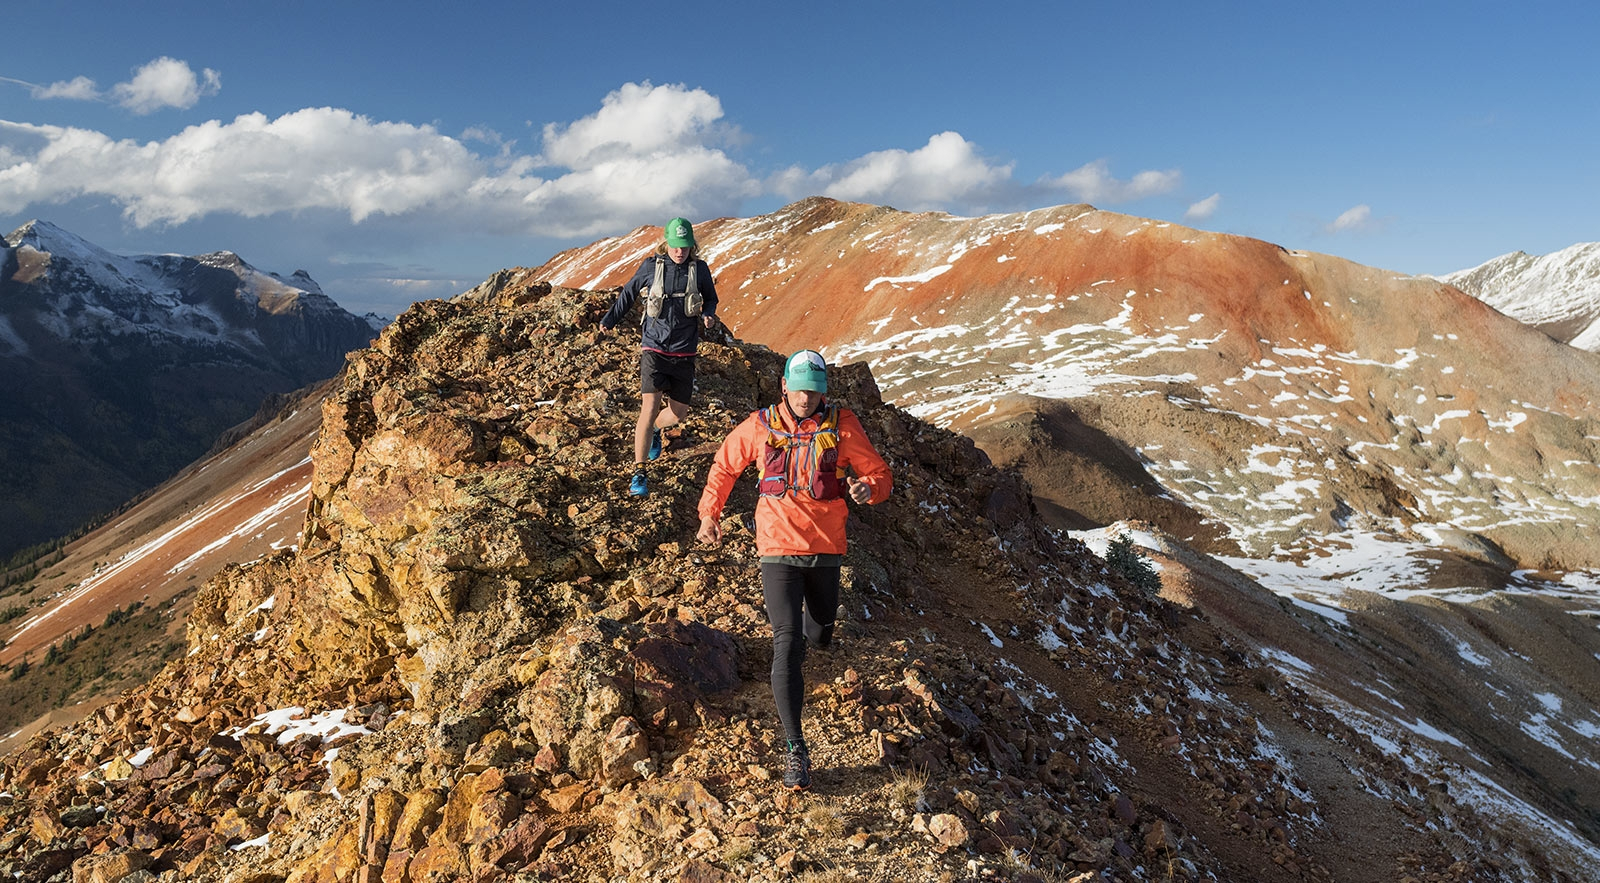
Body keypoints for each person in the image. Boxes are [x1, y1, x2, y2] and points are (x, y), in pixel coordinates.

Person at [696, 350, 892, 789]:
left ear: (824, 391)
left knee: (820, 632)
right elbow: (725, 465)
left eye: (814, 389)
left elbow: (880, 473)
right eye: (799, 388)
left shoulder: (843, 426)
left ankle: (814, 633)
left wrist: (869, 488)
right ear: (784, 385)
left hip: (826, 548)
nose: (806, 397)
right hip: (777, 548)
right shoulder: (760, 426)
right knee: (786, 642)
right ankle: (795, 749)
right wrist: (710, 514)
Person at [599, 217, 719, 496]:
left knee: (678, 414)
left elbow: (710, 298)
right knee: (649, 405)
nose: (680, 251)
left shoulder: (699, 269)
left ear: (692, 245)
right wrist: (609, 320)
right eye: (676, 246)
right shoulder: (651, 267)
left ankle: (653, 429)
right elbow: (628, 294)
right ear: (666, 243)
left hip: (685, 350)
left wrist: (709, 314)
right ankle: (639, 473)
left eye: (685, 246)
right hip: (653, 347)